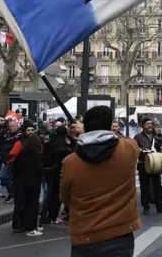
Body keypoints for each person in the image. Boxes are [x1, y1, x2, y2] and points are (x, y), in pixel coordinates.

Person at [62, 106, 141, 257]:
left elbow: (66, 198)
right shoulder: (129, 149)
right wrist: (89, 132)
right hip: (120, 233)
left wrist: (86, 133)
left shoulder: (70, 162)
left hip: (85, 236)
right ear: (110, 125)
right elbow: (120, 139)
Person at [10, 122, 44, 237]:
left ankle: (20, 225)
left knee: (22, 202)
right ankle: (29, 226)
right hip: (29, 178)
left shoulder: (21, 143)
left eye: (32, 130)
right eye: (28, 130)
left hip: (21, 177)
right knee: (30, 203)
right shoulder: (25, 143)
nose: (30, 132)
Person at [134, 118, 162, 214]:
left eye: (151, 124)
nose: (150, 125)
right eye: (147, 124)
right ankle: (146, 207)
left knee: (158, 186)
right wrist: (143, 152)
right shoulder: (137, 137)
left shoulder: (156, 137)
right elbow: (135, 149)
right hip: (143, 164)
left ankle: (160, 207)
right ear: (142, 125)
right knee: (144, 186)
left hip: (155, 164)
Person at [42, 125, 72, 224]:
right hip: (60, 172)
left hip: (50, 171)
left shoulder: (50, 143)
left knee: (49, 194)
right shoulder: (66, 145)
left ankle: (44, 215)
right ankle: (53, 216)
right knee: (57, 196)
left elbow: (44, 155)